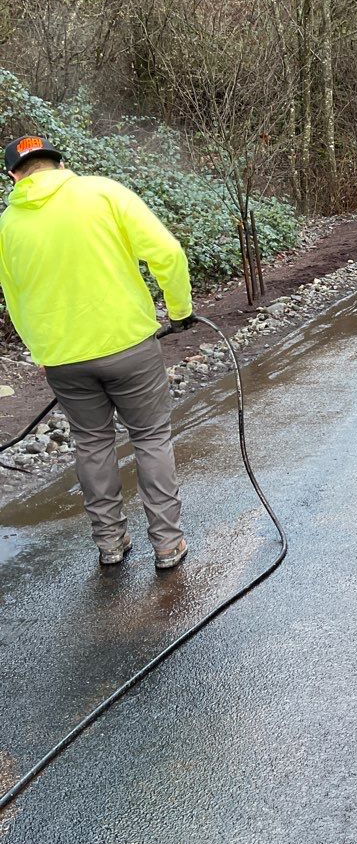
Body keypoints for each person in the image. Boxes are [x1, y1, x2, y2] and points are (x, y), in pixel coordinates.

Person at [0, 134, 195, 570]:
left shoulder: (8, 225)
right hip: (128, 346)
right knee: (149, 437)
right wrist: (180, 310)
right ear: (60, 163)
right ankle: (167, 544)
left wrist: (40, 350)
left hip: (64, 359)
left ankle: (110, 543)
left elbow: (15, 299)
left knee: (91, 444)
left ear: (14, 175)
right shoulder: (103, 192)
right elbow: (167, 251)